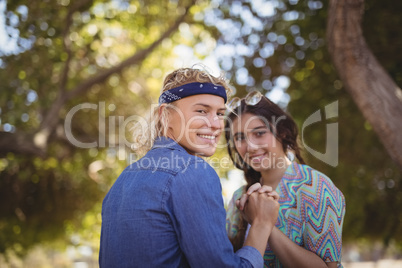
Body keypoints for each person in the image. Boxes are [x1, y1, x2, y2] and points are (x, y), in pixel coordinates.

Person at [99, 67, 280, 267]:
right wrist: (262, 224)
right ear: (166, 115)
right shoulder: (192, 171)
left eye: (220, 113)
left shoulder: (122, 181)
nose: (215, 124)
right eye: (201, 111)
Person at [224, 90, 346, 268]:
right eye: (240, 138)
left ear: (282, 132)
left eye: (259, 133)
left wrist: (263, 223)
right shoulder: (239, 198)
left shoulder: (315, 185)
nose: (250, 146)